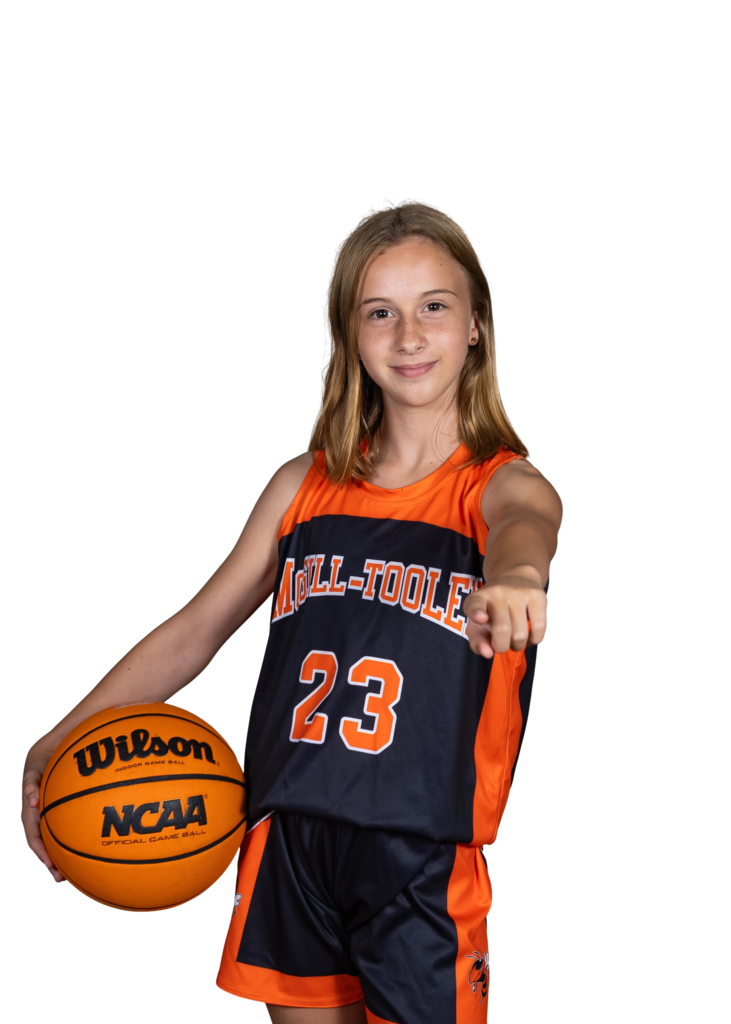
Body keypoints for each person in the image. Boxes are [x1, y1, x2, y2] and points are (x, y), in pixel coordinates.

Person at [20, 197, 564, 1023]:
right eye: (378, 312)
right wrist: (51, 743)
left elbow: (527, 526)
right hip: (285, 838)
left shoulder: (498, 485)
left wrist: (519, 578)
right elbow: (195, 632)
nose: (408, 336)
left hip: (418, 846)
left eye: (433, 307)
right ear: (348, 333)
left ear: (477, 325)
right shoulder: (301, 484)